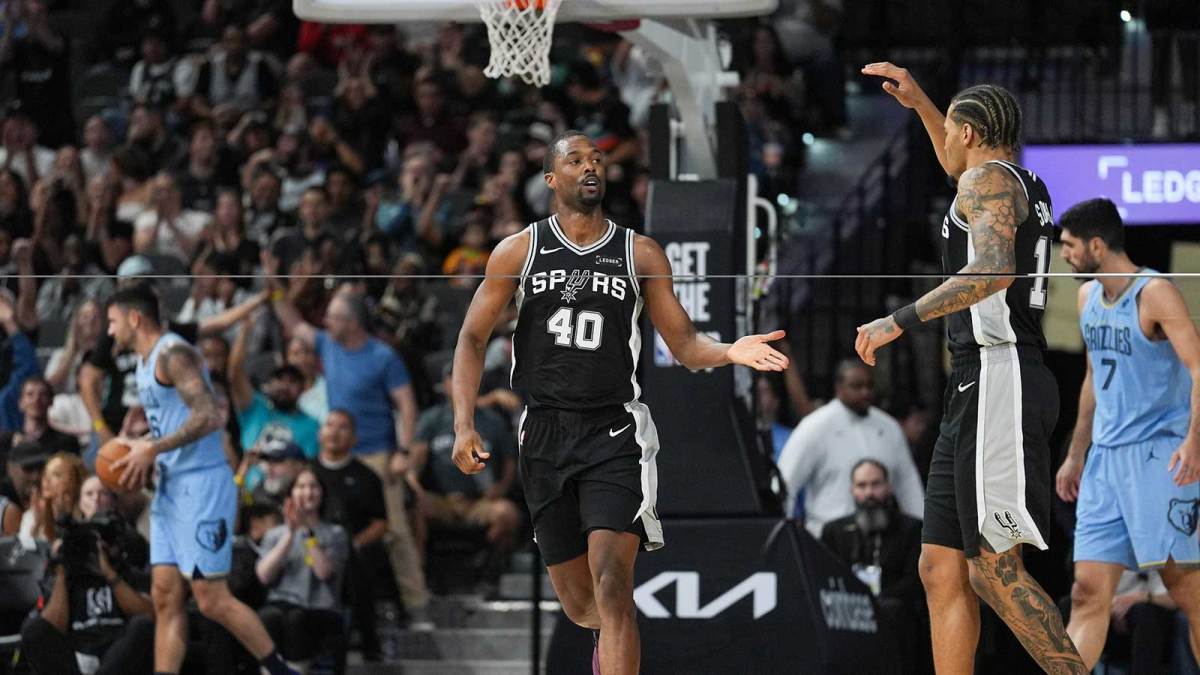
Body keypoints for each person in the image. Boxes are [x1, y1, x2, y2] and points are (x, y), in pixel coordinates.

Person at [451, 130, 789, 675]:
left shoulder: (639, 252)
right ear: (551, 178)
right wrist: (463, 424)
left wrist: (731, 350)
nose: (591, 167)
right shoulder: (518, 250)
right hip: (544, 435)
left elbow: (684, 344)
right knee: (580, 604)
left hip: (614, 435)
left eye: (597, 159)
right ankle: (604, 644)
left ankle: (613, 642)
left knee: (613, 586)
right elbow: (471, 337)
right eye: (576, 160)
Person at [855, 64, 1085, 673]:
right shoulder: (1011, 180)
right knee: (940, 566)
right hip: (976, 382)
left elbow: (994, 269)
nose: (946, 144)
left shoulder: (986, 181)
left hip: (1000, 373)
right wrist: (922, 104)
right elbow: (957, 164)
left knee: (994, 570)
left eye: (950, 130)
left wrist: (898, 319)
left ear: (970, 133)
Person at [104, 284, 298, 675]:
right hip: (170, 486)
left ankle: (281, 670)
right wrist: (141, 443)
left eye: (112, 321)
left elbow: (209, 416)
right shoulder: (144, 361)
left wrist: (153, 449)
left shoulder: (174, 354)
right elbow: (173, 422)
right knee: (164, 596)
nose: (109, 330)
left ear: (134, 318)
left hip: (201, 484)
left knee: (211, 599)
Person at [1054, 198, 1200, 669]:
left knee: (1189, 591)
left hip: (1159, 456)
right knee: (1086, 592)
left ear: (1097, 246)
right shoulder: (1086, 299)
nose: (1064, 255)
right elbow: (1093, 378)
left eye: (1070, 246)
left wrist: (1194, 442)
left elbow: (1198, 366)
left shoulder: (1154, 292)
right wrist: (1077, 452)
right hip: (1105, 460)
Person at [270, 283, 430, 628]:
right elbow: (294, 323)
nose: (326, 322)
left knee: (395, 531)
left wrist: (403, 451)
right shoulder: (328, 344)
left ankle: (417, 605)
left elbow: (407, 404)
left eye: (334, 317)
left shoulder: (383, 356)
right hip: (332, 454)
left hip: (376, 455)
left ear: (352, 322)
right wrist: (275, 287)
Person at [778, 359, 924, 537]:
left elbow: (908, 486)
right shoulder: (815, 426)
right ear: (839, 388)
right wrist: (784, 533)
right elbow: (786, 482)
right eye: (857, 386)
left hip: (882, 538)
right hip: (826, 537)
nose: (865, 392)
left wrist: (923, 535)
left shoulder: (889, 427)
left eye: (869, 386)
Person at [821, 459, 926, 675]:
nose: (869, 493)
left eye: (875, 484)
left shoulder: (912, 529)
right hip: (846, 618)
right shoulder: (834, 532)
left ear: (888, 487)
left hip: (896, 619)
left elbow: (914, 582)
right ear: (852, 490)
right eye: (862, 485)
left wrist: (876, 603)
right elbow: (824, 578)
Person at [412, 364, 519, 553]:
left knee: (506, 513)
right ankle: (420, 566)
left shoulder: (493, 421)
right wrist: (416, 489)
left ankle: (488, 563)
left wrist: (501, 488)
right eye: (453, 378)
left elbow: (510, 462)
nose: (460, 383)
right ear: (444, 385)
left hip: (479, 501)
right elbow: (415, 463)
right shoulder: (432, 419)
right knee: (411, 509)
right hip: (441, 500)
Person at [255, 467, 350, 673]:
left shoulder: (335, 533)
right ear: (290, 495)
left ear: (322, 493)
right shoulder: (275, 535)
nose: (307, 492)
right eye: (301, 486)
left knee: (297, 619)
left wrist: (306, 532)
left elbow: (323, 573)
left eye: (313, 486)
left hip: (319, 606)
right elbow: (264, 576)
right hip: (280, 605)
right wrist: (290, 533)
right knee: (268, 617)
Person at [312, 409, 389, 661]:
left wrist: (353, 543)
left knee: (359, 564)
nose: (334, 432)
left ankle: (368, 640)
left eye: (343, 427)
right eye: (329, 425)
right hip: (310, 546)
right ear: (319, 433)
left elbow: (381, 524)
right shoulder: (307, 473)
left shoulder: (367, 477)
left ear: (354, 438)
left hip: (352, 549)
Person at [230, 318, 320, 458]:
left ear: (303, 389)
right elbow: (235, 371)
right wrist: (244, 332)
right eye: (279, 379)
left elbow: (307, 465)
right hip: (248, 471)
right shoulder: (254, 407)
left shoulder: (311, 425)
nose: (284, 386)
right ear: (269, 383)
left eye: (292, 382)